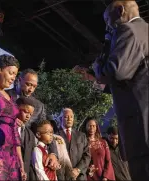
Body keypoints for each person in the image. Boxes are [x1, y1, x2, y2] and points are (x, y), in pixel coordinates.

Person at [93, 0, 149, 179]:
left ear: (120, 10)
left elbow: (117, 71)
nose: (108, 26)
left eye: (107, 19)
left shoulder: (128, 30)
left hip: (141, 127)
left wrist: (97, 69)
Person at [7, 68, 59, 170]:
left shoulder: (39, 106)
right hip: (4, 149)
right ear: (18, 80)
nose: (30, 89)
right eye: (28, 84)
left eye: (34, 86)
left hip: (26, 155)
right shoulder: (5, 96)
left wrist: (53, 153)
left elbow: (46, 129)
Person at [57, 108, 91, 180]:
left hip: (80, 177)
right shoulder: (55, 136)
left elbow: (87, 155)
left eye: (71, 117)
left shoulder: (81, 135)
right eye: (66, 117)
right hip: (63, 177)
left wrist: (78, 169)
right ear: (60, 119)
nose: (69, 119)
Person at [16, 97, 38, 180]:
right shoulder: (7, 127)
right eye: (26, 112)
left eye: (31, 114)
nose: (28, 116)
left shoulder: (30, 134)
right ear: (16, 108)